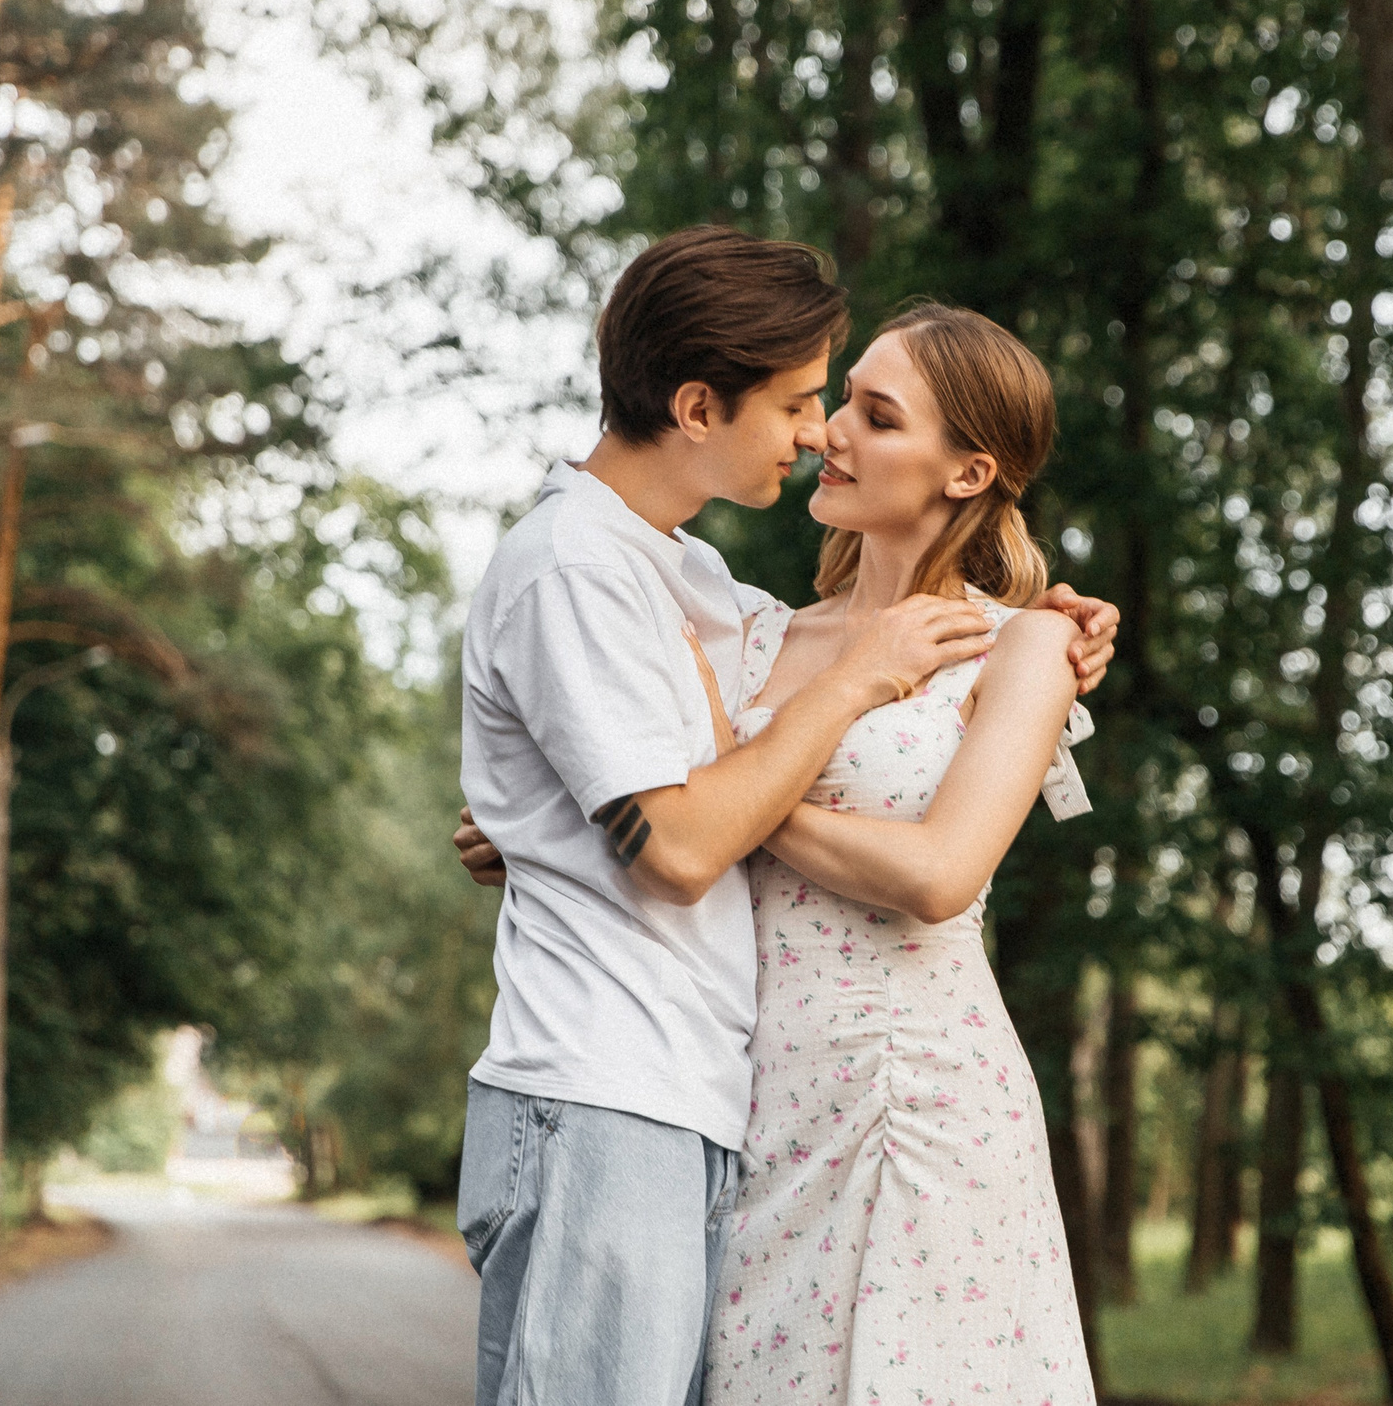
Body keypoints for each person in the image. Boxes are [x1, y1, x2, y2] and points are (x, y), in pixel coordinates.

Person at [452, 228, 1116, 1406]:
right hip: (748, 1099)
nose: (830, 432)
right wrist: (575, 819)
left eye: (873, 412)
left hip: (914, 1099)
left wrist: (684, 807)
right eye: (830, 401)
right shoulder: (742, 621)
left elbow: (933, 870)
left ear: (967, 471)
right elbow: (652, 794)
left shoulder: (1024, 645)